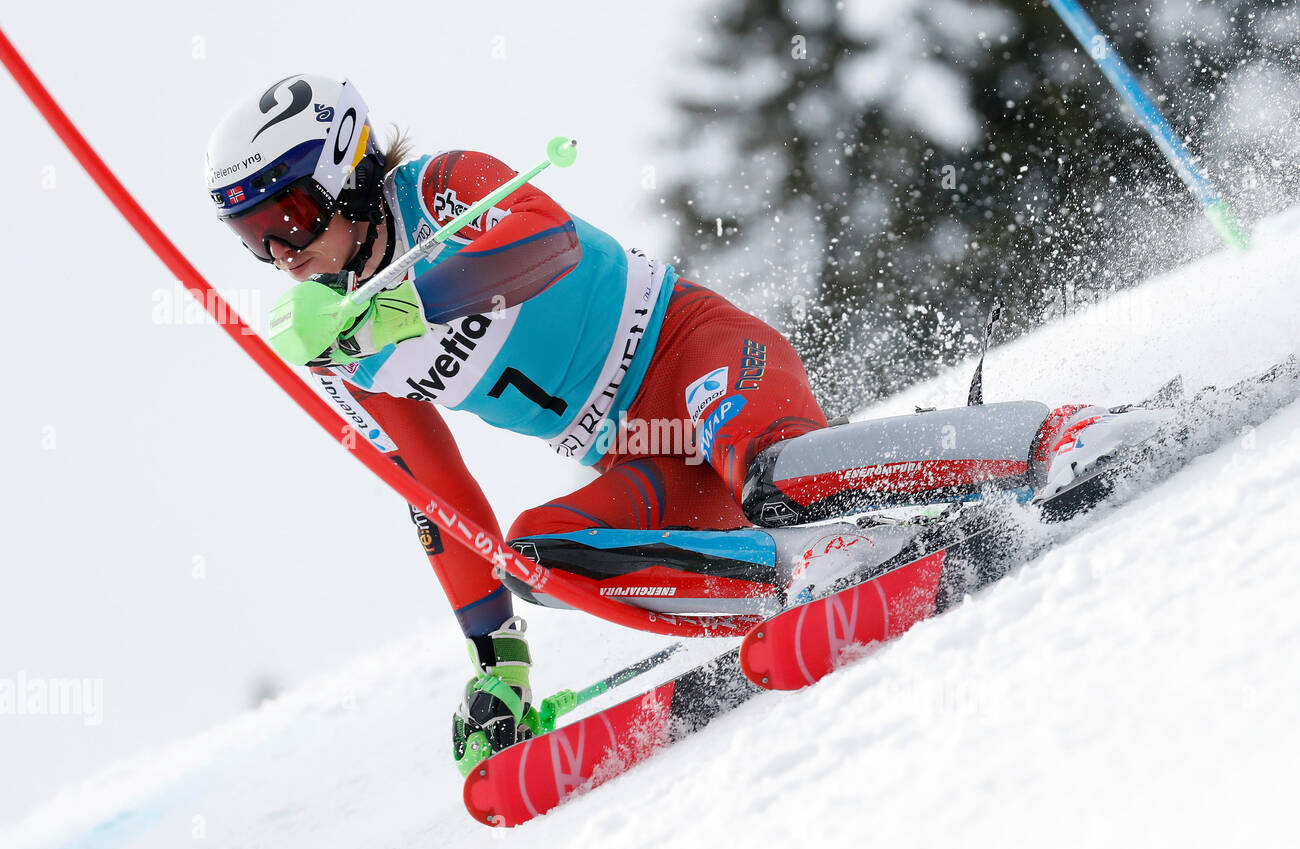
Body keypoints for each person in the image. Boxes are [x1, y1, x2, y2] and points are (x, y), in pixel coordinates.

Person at [205, 74, 1129, 774]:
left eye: (291, 213)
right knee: (539, 557)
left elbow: (540, 248)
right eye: (256, 238)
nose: (285, 255)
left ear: (349, 170)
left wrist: (403, 303)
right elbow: (436, 498)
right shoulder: (342, 350)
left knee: (777, 475)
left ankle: (1050, 439)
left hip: (691, 355)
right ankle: (808, 570)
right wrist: (498, 664)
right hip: (638, 451)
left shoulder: (443, 188)